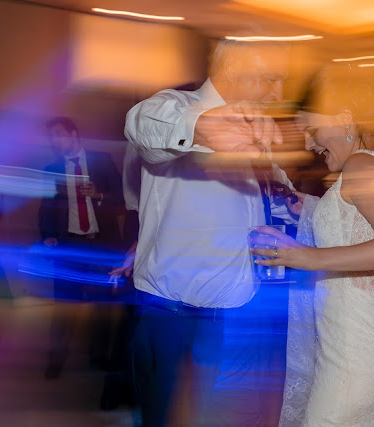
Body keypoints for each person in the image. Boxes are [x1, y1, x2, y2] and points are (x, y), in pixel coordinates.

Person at [124, 38, 302, 426]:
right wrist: (204, 127)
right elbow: (141, 123)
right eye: (271, 79)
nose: (280, 93)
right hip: (178, 315)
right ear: (234, 72)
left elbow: (270, 198)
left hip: (245, 307)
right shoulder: (179, 109)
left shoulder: (260, 129)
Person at [257, 67, 374, 426]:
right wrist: (307, 213)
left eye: (312, 129)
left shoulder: (361, 166)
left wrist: (304, 257)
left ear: (345, 120)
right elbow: (361, 231)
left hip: (358, 343)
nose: (308, 144)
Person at [39, 116, 124, 380]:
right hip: (69, 244)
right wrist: (48, 235)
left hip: (101, 244)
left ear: (74, 134)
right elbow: (46, 206)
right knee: (64, 304)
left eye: (59, 134)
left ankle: (98, 356)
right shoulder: (51, 169)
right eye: (52, 136)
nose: (55, 140)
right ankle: (57, 359)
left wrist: (99, 195)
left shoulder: (102, 160)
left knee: (101, 305)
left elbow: (122, 199)